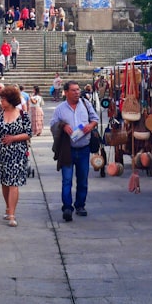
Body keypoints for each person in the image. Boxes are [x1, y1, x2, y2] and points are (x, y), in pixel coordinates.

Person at [50, 80, 99, 222]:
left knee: (83, 179)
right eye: (73, 90)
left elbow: (95, 119)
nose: (77, 92)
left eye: (78, 90)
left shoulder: (86, 104)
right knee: (67, 180)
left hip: (84, 149)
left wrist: (90, 126)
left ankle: (80, 205)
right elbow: (53, 125)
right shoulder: (60, 109)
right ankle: (67, 207)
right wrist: (63, 126)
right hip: (68, 150)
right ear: (66, 92)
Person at [0, 85, 31, 226]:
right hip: (1, 153)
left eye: (4, 99)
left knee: (13, 182)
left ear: (11, 100)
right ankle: (8, 207)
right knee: (4, 182)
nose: (1, 101)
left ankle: (12, 214)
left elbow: (28, 133)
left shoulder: (22, 115)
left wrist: (13, 138)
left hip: (17, 153)